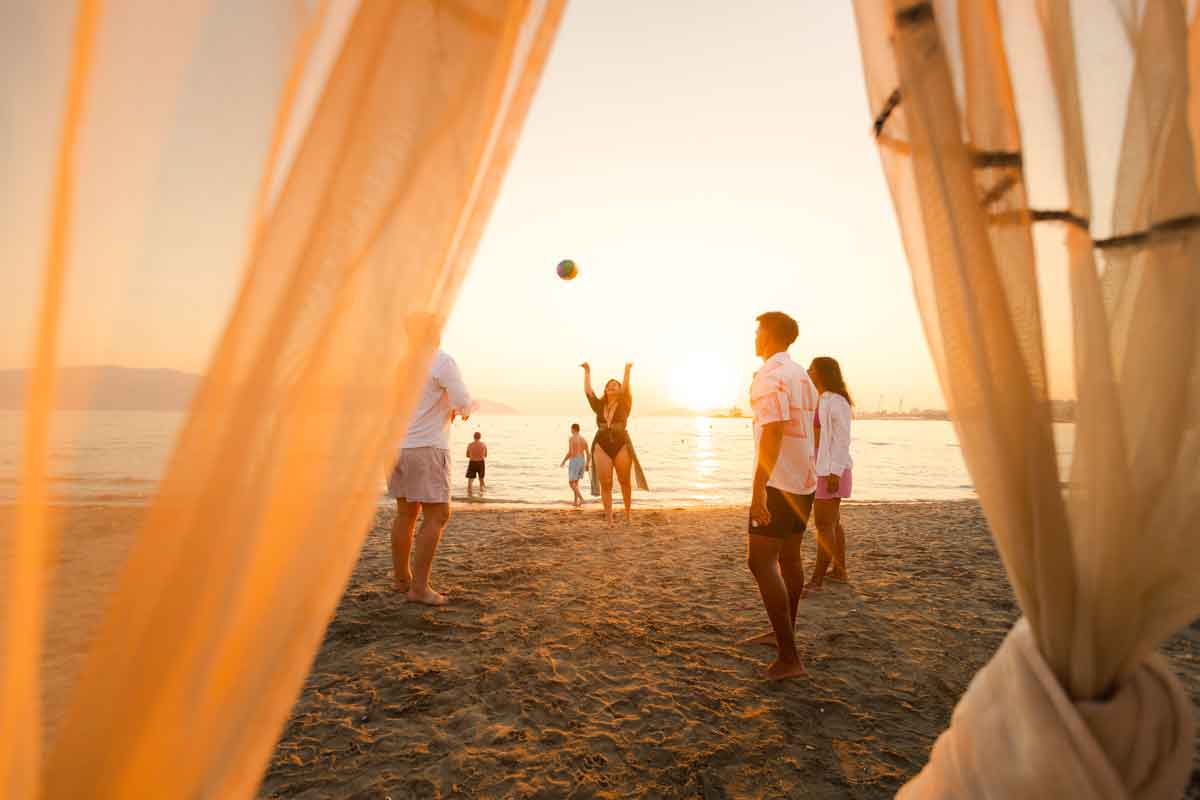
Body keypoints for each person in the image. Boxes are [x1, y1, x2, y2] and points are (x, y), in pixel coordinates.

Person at [744, 311, 819, 681]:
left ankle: (790, 659)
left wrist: (758, 486)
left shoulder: (769, 376)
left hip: (778, 483)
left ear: (771, 335)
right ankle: (782, 634)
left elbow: (772, 433)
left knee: (759, 562)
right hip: (804, 481)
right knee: (789, 557)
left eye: (758, 331)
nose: (755, 337)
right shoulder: (802, 375)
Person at [387, 319, 477, 606]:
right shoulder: (441, 361)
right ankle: (419, 588)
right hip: (426, 447)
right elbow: (463, 401)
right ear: (432, 332)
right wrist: (463, 409)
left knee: (406, 514)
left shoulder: (402, 364)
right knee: (437, 515)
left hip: (396, 448)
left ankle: (402, 579)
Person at [580, 361, 649, 526]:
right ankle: (609, 519)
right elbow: (588, 392)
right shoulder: (599, 405)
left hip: (621, 443)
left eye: (615, 385)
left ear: (620, 390)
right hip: (601, 444)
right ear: (605, 390)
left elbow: (626, 387)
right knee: (606, 483)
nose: (611, 386)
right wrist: (587, 371)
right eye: (609, 385)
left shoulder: (625, 403)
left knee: (624, 480)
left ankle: (627, 515)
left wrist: (626, 371)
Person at [807, 357, 853, 590]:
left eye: (812, 369)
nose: (808, 371)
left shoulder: (837, 401)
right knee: (833, 523)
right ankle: (839, 571)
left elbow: (842, 439)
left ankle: (816, 580)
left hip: (831, 470)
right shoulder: (821, 399)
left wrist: (834, 472)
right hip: (823, 468)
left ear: (823, 373)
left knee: (824, 525)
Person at [560, 422, 590, 507]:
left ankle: (582, 499)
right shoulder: (584, 439)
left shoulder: (572, 438)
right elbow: (588, 453)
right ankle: (575, 502)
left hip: (575, 460)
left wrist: (564, 461)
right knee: (576, 483)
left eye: (571, 429)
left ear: (573, 429)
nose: (571, 431)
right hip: (582, 461)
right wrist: (587, 464)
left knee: (571, 482)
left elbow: (571, 452)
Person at [465, 431, 487, 496]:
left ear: (473, 437)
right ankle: (481, 496)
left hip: (472, 462)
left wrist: (473, 455)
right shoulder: (483, 444)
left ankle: (469, 496)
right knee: (481, 480)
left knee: (470, 481)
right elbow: (485, 455)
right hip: (481, 463)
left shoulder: (470, 444)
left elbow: (467, 455)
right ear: (480, 437)